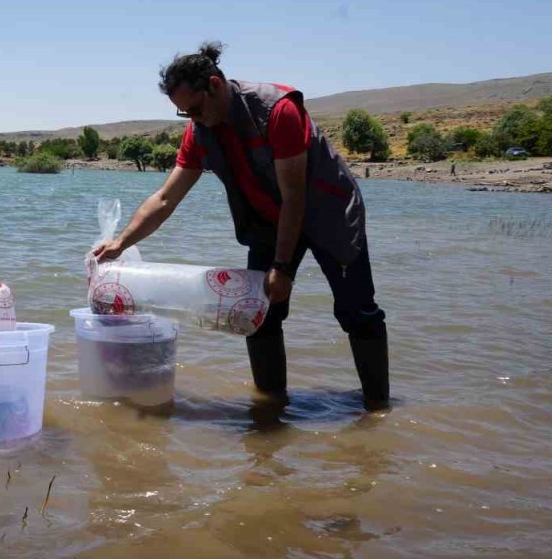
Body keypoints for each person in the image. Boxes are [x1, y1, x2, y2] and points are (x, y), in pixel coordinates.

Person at [92, 42, 390, 412]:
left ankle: (377, 408)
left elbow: (294, 197)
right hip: (270, 219)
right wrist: (120, 242)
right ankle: (270, 409)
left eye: (196, 109)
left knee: (356, 311)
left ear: (215, 85)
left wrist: (281, 268)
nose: (194, 120)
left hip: (328, 212)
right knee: (259, 313)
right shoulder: (200, 129)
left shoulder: (278, 111)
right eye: (185, 115)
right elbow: (167, 198)